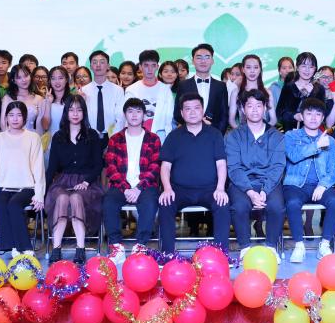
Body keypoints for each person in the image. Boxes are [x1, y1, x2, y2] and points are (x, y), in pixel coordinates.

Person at [158, 93, 231, 254]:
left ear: (202, 110)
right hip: (179, 190)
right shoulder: (173, 137)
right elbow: (165, 167)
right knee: (165, 203)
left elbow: (221, 164)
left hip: (209, 189)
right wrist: (167, 188)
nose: (192, 112)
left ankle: (221, 254)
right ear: (182, 113)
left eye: (196, 108)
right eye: (188, 109)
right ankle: (167, 254)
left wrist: (220, 188)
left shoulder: (215, 134)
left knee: (222, 203)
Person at [0, 101, 45, 257]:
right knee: (1, 203)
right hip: (2, 187)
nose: (15, 119)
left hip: (26, 188)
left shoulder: (33, 137)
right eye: (11, 115)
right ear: (6, 117)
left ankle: (23, 248)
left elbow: (39, 169)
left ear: (25, 117)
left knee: (14, 205)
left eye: (19, 115)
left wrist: (39, 194)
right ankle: (15, 247)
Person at [45, 95, 104, 264]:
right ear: (66, 113)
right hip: (63, 181)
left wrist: (86, 182)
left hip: (87, 182)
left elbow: (98, 165)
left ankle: (80, 248)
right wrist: (42, 191)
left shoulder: (92, 135)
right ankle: (56, 248)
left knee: (76, 197)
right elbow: (52, 168)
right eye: (71, 110)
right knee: (62, 198)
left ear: (84, 112)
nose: (75, 114)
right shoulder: (58, 136)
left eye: (79, 110)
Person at [226, 89, 285, 258]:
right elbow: (234, 168)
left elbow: (278, 166)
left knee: (277, 206)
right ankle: (245, 248)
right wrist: (251, 192)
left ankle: (271, 247)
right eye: (250, 106)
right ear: (243, 109)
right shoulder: (233, 136)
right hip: (242, 183)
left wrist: (265, 191)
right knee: (239, 206)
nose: (254, 110)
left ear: (265, 108)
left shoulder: (276, 136)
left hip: (269, 182)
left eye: (258, 105)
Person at [104, 98, 161, 264]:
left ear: (144, 115)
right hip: (121, 185)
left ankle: (140, 246)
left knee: (150, 203)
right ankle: (117, 247)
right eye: (130, 111)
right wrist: (126, 188)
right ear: (125, 115)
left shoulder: (153, 139)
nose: (134, 115)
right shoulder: (115, 139)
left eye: (138, 111)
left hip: (145, 186)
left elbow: (155, 167)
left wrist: (138, 188)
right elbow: (111, 167)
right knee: (108, 202)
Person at [283, 98, 335, 261]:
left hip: (320, 185)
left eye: (318, 114)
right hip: (296, 185)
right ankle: (299, 246)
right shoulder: (291, 136)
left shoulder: (330, 141)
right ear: (301, 116)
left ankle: (324, 245)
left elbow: (333, 169)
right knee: (293, 203)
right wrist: (316, 145)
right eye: (309, 114)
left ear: (323, 118)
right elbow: (293, 156)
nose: (314, 118)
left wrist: (323, 185)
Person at [173, 44, 229, 129]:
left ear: (212, 61)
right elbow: (177, 113)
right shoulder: (183, 85)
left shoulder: (221, 86)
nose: (203, 61)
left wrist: (217, 133)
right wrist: (193, 124)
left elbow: (224, 115)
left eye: (207, 57)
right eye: (199, 58)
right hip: (188, 133)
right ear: (193, 61)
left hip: (213, 134)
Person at [126, 50, 175, 140]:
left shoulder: (165, 90)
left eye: (153, 65)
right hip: (135, 137)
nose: (150, 69)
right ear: (140, 67)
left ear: (157, 67)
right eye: (146, 65)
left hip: (160, 137)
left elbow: (169, 119)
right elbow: (127, 118)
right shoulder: (131, 90)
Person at [276, 52, 326, 132]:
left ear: (315, 69)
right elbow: (279, 113)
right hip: (291, 133)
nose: (307, 70)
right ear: (297, 67)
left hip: (312, 134)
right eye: (303, 66)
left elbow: (323, 114)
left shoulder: (319, 89)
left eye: (311, 67)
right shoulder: (289, 87)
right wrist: (294, 116)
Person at [82, 50, 125, 141]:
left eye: (102, 62)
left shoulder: (118, 90)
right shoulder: (83, 91)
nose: (98, 65)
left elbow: (120, 117)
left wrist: (114, 139)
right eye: (94, 62)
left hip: (112, 136)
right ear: (90, 66)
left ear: (108, 66)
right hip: (88, 136)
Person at [229, 54, 276, 129]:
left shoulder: (267, 92)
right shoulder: (236, 93)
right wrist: (242, 132)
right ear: (243, 70)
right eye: (248, 67)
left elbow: (273, 119)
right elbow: (231, 120)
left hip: (263, 134)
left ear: (260, 69)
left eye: (256, 67)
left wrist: (263, 131)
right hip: (243, 133)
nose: (252, 71)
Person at [0, 64, 45, 132]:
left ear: (30, 76)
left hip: (32, 135)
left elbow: (40, 124)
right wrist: (10, 137)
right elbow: (3, 123)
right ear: (13, 80)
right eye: (19, 78)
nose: (24, 80)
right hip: (11, 136)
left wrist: (37, 138)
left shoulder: (39, 99)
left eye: (26, 76)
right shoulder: (7, 98)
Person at [41, 66, 70, 157]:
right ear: (49, 81)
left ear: (66, 79)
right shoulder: (44, 101)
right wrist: (48, 103)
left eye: (60, 78)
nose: (57, 82)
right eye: (53, 78)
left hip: (70, 144)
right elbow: (45, 126)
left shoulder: (72, 101)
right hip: (51, 145)